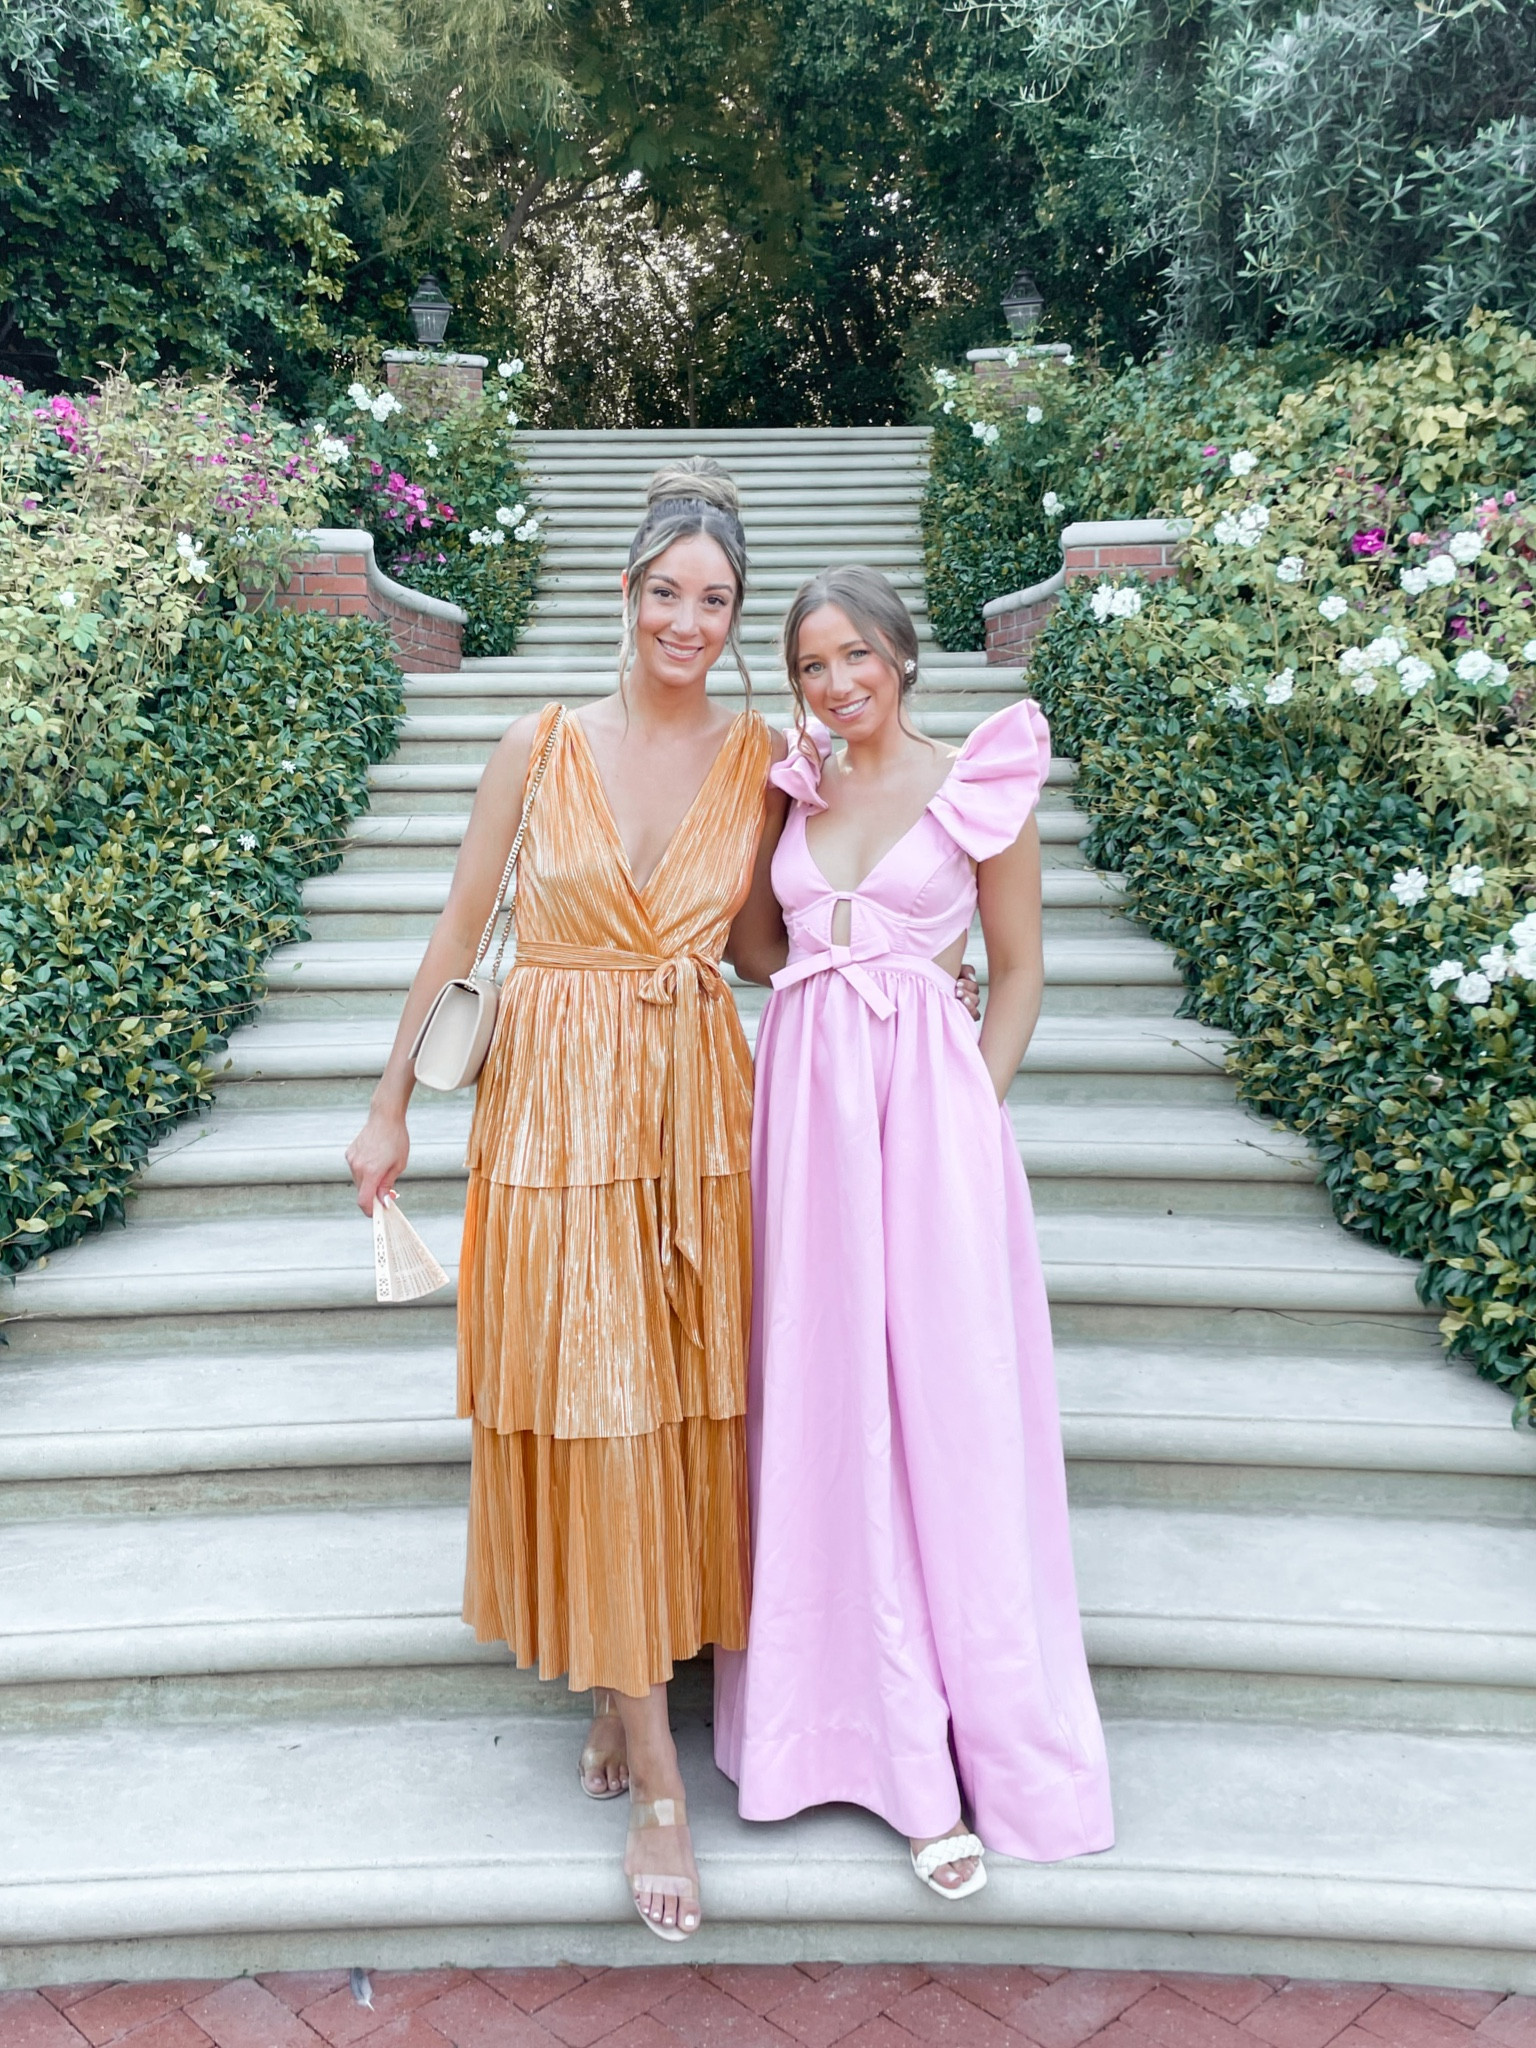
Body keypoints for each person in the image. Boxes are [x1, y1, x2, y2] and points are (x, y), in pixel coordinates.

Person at [347, 458, 793, 1941]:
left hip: (690, 1117)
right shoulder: (534, 747)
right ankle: (657, 1770)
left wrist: (916, 968)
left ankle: (627, 1677)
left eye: (715, 599)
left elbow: (760, 950)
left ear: (735, 619)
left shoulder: (760, 759)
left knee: (681, 1406)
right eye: (666, 590)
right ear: (626, 592)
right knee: (597, 1403)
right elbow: (460, 930)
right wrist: (391, 1100)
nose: (687, 618)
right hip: (550, 1121)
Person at [715, 565, 1114, 1898]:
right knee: (824, 1411)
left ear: (899, 654)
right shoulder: (798, 784)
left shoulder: (979, 782)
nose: (835, 686)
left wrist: (971, 1114)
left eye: (852, 658)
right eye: (810, 668)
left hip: (930, 1133)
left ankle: (963, 1746)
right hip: (803, 1129)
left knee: (941, 1415)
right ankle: (838, 1729)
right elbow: (761, 956)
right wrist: (771, 801)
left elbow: (1021, 970)